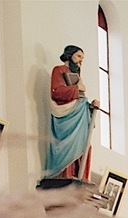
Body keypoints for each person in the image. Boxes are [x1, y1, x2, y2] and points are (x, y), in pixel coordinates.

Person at [45, 45, 99, 180]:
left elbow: (80, 98)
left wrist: (91, 107)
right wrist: (76, 88)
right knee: (69, 144)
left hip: (80, 115)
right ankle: (65, 175)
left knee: (84, 145)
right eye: (79, 56)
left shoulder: (78, 77)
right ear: (69, 55)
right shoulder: (59, 70)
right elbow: (56, 92)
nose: (81, 61)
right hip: (67, 118)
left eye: (83, 58)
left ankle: (79, 176)